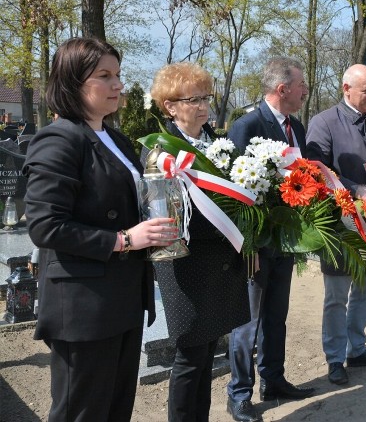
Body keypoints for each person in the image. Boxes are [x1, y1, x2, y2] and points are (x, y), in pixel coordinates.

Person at [24, 37, 178, 422]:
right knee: (83, 411)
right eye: (104, 76)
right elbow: (45, 225)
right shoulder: (59, 139)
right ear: (73, 83)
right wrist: (124, 239)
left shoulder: (116, 138)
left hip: (122, 298)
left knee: (115, 409)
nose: (118, 85)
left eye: (119, 75)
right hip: (84, 306)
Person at [148, 63, 250, 422]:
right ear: (170, 106)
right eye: (192, 99)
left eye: (206, 96)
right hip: (186, 265)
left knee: (209, 355)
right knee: (189, 358)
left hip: (222, 263)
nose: (203, 105)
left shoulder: (219, 144)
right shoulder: (163, 153)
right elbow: (165, 215)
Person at [226, 58, 314, 422]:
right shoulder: (247, 126)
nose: (306, 91)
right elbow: (234, 191)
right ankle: (240, 394)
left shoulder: (298, 127)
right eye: (302, 86)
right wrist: (248, 245)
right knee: (249, 322)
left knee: (277, 315)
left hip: (286, 241)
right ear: (283, 90)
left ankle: (273, 380)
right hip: (256, 246)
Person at [305, 64, 366, 386]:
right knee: (337, 294)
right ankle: (334, 358)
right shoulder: (324, 122)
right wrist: (355, 190)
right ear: (346, 89)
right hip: (340, 224)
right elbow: (316, 170)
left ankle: (357, 348)